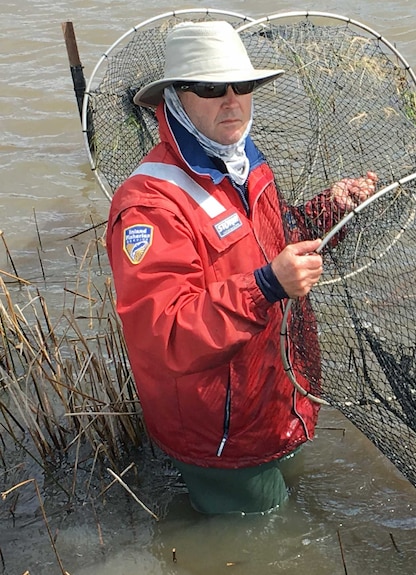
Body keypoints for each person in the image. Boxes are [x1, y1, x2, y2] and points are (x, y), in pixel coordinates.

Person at [106, 20, 377, 514]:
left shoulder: (244, 160)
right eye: (211, 88)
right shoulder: (147, 207)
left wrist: (329, 208)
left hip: (277, 405)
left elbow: (271, 238)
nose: (232, 100)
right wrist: (267, 286)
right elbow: (167, 335)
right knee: (263, 541)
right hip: (222, 437)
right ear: (175, 98)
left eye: (243, 85)